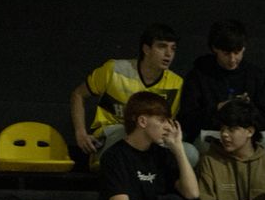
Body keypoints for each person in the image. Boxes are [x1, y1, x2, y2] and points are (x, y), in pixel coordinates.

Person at [69, 23, 198, 163]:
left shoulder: (176, 83)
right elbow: (78, 94)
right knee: (136, 132)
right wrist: (80, 134)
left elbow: (165, 125)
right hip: (114, 135)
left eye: (173, 48)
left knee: (190, 153)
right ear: (146, 49)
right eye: (162, 47)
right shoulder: (114, 70)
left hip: (152, 140)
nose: (169, 54)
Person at [179, 19, 265, 154]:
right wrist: (218, 108)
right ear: (215, 49)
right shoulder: (198, 75)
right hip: (215, 135)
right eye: (226, 53)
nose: (232, 59)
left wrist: (246, 112)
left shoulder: (255, 75)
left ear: (244, 48)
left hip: (249, 135)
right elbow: (188, 120)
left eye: (237, 52)